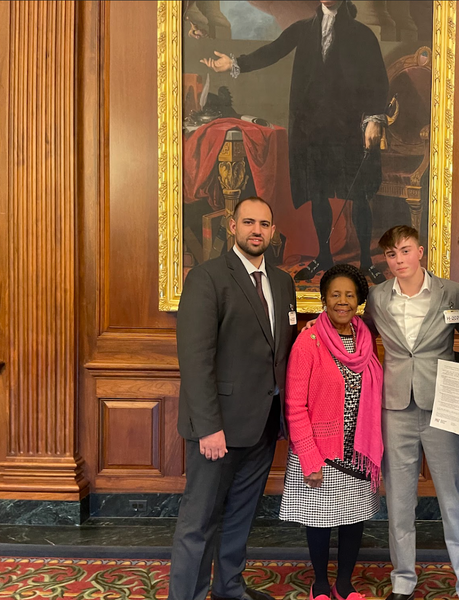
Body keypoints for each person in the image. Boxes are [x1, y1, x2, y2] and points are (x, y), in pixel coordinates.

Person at [200, 0, 389, 284]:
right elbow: (273, 51)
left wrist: (374, 119)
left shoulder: (362, 34)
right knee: (318, 193)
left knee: (359, 194)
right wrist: (235, 63)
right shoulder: (304, 29)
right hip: (313, 129)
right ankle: (324, 255)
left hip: (351, 128)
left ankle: (364, 260)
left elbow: (378, 79)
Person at [171, 196, 297, 600]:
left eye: (264, 223)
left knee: (241, 517)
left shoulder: (282, 282)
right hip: (217, 429)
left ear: (273, 231)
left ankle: (228, 588)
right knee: (200, 520)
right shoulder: (207, 277)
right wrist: (208, 427)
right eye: (248, 222)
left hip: (261, 426)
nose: (256, 230)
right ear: (232, 226)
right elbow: (195, 359)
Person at [363, 226, 459, 600]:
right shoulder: (378, 297)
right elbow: (365, 340)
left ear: (420, 252)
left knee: (453, 498)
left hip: (445, 405)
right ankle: (403, 581)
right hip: (395, 406)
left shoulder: (452, 292)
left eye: (404, 251)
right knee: (399, 500)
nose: (398, 260)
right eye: (390, 255)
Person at [280, 263, 384, 600]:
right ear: (323, 299)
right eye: (335, 294)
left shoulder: (366, 339)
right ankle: (321, 585)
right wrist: (309, 456)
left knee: (353, 519)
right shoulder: (308, 340)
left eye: (350, 295)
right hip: (321, 451)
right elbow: (295, 405)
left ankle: (344, 585)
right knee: (320, 520)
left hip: (358, 448)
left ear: (359, 301)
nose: (343, 301)